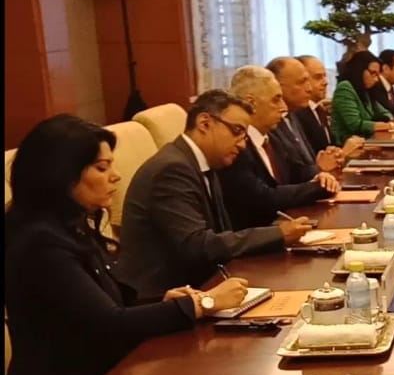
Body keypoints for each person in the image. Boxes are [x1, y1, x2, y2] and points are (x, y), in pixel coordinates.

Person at [4, 115, 249, 375]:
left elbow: (103, 306)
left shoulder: (68, 226)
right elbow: (110, 324)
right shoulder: (41, 244)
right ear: (62, 174)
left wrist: (164, 301)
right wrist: (202, 303)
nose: (115, 176)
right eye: (102, 168)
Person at [116, 90, 314, 299]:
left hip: (203, 283)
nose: (242, 144)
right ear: (205, 123)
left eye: (245, 136)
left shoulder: (205, 162)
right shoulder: (172, 169)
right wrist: (277, 234)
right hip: (164, 297)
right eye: (237, 131)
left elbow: (222, 233)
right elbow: (199, 245)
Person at [222, 66, 340, 229]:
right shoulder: (236, 147)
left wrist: (321, 176)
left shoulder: (273, 138)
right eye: (276, 100)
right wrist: (316, 188)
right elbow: (265, 197)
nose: (284, 107)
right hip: (259, 235)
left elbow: (296, 172)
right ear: (250, 104)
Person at [265, 57, 357, 177]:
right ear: (278, 86)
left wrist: (331, 158)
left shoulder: (293, 115)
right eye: (301, 82)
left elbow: (309, 163)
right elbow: (291, 176)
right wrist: (320, 167)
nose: (309, 88)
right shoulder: (270, 124)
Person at [331, 51, 394, 144]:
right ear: (359, 70)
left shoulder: (365, 89)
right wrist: (389, 125)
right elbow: (355, 124)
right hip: (347, 145)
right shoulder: (345, 88)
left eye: (377, 75)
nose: (376, 79)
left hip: (367, 142)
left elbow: (382, 111)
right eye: (373, 73)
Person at [296, 54, 337, 153]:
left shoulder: (319, 109)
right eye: (318, 77)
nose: (325, 82)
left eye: (324, 76)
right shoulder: (297, 112)